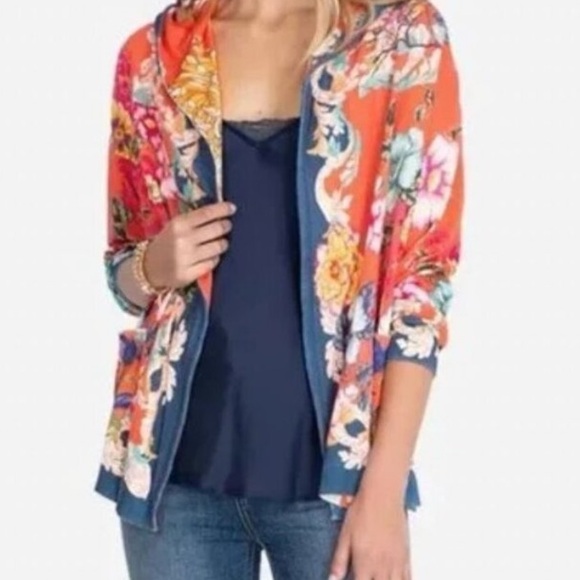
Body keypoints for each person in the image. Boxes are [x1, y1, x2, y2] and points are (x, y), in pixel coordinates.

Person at [93, 0, 464, 578]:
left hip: (338, 487)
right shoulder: (152, 56)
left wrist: (385, 489)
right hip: (173, 485)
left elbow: (423, 280)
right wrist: (152, 267)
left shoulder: (399, 37)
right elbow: (125, 270)